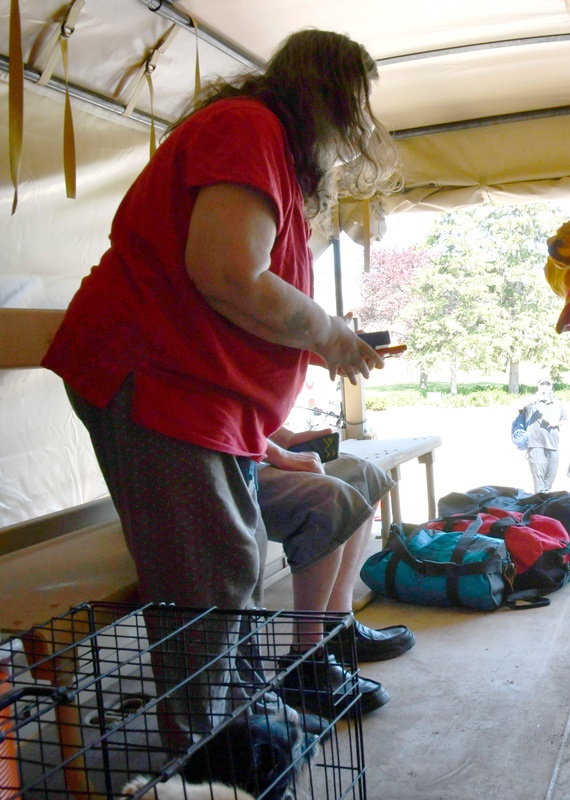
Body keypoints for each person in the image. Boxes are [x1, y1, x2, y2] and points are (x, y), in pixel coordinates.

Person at [41, 29, 402, 746]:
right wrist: (329, 334)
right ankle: (213, 744)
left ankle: (247, 709)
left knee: (243, 550)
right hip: (153, 381)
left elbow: (227, 309)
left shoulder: (258, 142)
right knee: (215, 572)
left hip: (199, 398)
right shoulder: (248, 128)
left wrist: (265, 440)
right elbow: (229, 273)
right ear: (330, 98)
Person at [260, 426, 417, 717]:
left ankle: (336, 627)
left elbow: (246, 408)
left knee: (362, 474)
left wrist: (285, 438)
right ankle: (306, 660)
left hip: (250, 444)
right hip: (224, 460)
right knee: (330, 501)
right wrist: (279, 454)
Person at [522, 378, 567, 493]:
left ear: (551, 387)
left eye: (547, 385)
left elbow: (565, 421)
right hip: (536, 445)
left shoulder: (557, 403)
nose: (545, 387)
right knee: (539, 484)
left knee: (549, 484)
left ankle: (546, 506)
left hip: (553, 445)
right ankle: (539, 507)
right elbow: (519, 407)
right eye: (542, 384)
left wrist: (557, 422)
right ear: (538, 386)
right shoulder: (532, 403)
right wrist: (534, 397)